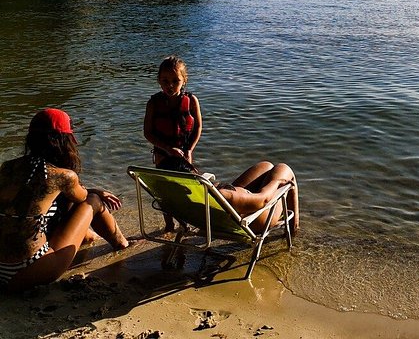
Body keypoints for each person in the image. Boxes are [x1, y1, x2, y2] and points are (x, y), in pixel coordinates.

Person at [0, 109, 130, 291]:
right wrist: (98, 192)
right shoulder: (62, 176)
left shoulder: (8, 167)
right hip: (31, 270)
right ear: (64, 141)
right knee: (93, 201)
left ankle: (88, 237)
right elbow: (84, 198)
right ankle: (123, 244)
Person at [158, 156, 299, 234]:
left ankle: (293, 227)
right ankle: (294, 229)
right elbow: (264, 199)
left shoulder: (173, 197)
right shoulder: (224, 195)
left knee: (266, 165)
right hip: (257, 219)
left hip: (218, 219)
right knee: (284, 169)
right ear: (194, 170)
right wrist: (278, 182)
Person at [144, 56, 203, 233]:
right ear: (159, 81)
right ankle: (169, 225)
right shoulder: (154, 103)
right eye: (165, 81)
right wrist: (168, 149)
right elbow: (148, 133)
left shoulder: (191, 100)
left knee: (187, 189)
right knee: (165, 192)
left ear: (184, 80)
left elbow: (198, 127)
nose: (170, 85)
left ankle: (188, 222)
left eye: (175, 81)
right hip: (163, 155)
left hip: (185, 153)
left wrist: (190, 149)